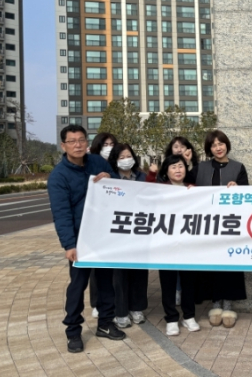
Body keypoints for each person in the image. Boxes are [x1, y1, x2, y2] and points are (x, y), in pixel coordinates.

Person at [48, 125, 125, 353]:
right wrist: (69, 244)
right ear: (63, 146)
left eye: (81, 140)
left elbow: (118, 187)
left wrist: (110, 178)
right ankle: (73, 331)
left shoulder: (97, 162)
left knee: (106, 282)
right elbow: (61, 213)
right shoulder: (58, 176)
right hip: (80, 240)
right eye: (72, 141)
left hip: (102, 235)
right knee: (78, 286)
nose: (78, 145)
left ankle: (106, 323)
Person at [193, 130, 248, 329]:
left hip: (230, 225)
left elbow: (247, 195)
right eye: (214, 145)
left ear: (227, 145)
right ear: (209, 149)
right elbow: (184, 186)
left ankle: (228, 306)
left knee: (230, 265)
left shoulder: (238, 167)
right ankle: (215, 304)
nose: (218, 148)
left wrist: (238, 188)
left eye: (221, 143)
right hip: (207, 225)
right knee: (212, 265)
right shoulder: (201, 168)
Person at [150, 154, 201, 336]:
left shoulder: (193, 189)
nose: (178, 170)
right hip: (166, 244)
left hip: (188, 243)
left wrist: (196, 193)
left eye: (180, 166)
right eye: (173, 167)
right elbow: (143, 195)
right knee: (168, 282)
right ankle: (171, 318)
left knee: (188, 282)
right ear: (166, 171)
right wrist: (151, 173)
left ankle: (189, 316)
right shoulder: (160, 189)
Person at [106, 143, 149, 328]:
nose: (126, 160)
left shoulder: (142, 177)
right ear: (115, 160)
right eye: (121, 157)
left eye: (128, 156)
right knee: (120, 274)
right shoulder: (110, 179)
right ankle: (121, 311)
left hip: (140, 231)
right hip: (118, 234)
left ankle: (137, 308)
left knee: (139, 272)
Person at [88, 132, 119, 319]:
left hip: (117, 221)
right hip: (97, 222)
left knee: (114, 268)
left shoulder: (117, 164)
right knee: (96, 265)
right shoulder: (91, 164)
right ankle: (96, 302)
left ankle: (113, 302)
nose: (109, 148)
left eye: (112, 144)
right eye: (105, 145)